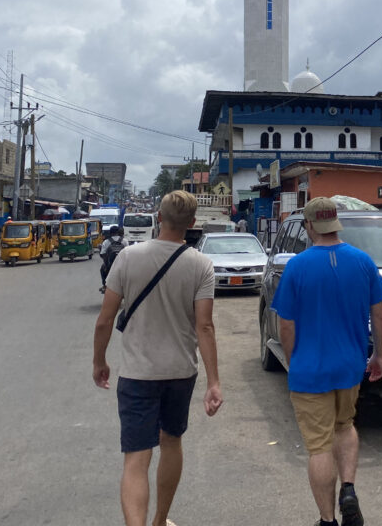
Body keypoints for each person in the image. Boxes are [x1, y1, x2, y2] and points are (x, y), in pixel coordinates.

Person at [92, 189, 222, 526]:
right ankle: (160, 520)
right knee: (172, 442)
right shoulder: (201, 265)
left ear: (159, 218)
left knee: (136, 457)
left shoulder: (128, 258)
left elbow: (105, 319)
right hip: (180, 373)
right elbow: (204, 326)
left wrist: (99, 362)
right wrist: (214, 382)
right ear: (192, 224)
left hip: (138, 374)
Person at [271, 197, 382, 526]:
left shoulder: (296, 266)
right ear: (336, 223)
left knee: (319, 447)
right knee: (345, 425)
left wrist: (294, 362)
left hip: (310, 370)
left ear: (309, 226)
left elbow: (286, 325)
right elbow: (379, 316)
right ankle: (348, 489)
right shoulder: (363, 262)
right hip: (350, 366)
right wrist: (378, 355)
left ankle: (327, 520)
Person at [99, 225, 126, 294]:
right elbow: (129, 253)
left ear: (110, 233)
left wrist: (106, 263)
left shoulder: (106, 242)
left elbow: (102, 254)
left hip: (110, 266)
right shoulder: (124, 241)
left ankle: (104, 285)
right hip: (123, 265)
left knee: (102, 269)